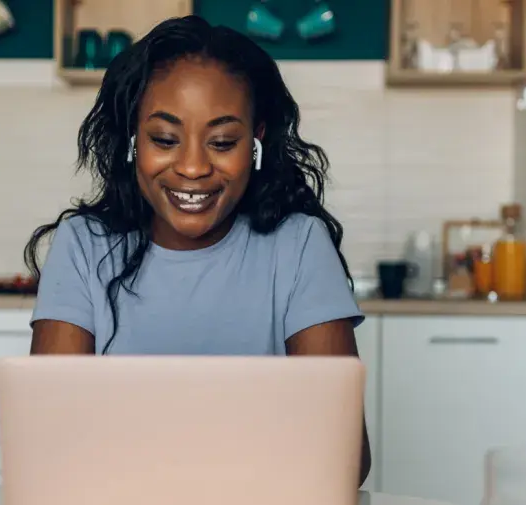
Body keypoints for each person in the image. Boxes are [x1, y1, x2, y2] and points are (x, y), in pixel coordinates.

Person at [22, 15, 370, 486]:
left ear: (256, 142)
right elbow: (49, 441)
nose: (192, 167)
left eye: (223, 142)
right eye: (164, 139)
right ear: (132, 139)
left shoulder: (300, 245)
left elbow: (346, 454)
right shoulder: (84, 246)